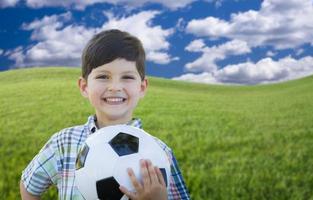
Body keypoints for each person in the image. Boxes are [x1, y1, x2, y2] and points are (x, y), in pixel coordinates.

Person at [20, 29, 190, 200]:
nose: (115, 87)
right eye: (103, 76)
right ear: (84, 87)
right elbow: (29, 185)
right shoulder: (63, 142)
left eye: (127, 77)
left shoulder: (159, 152)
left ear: (142, 87)